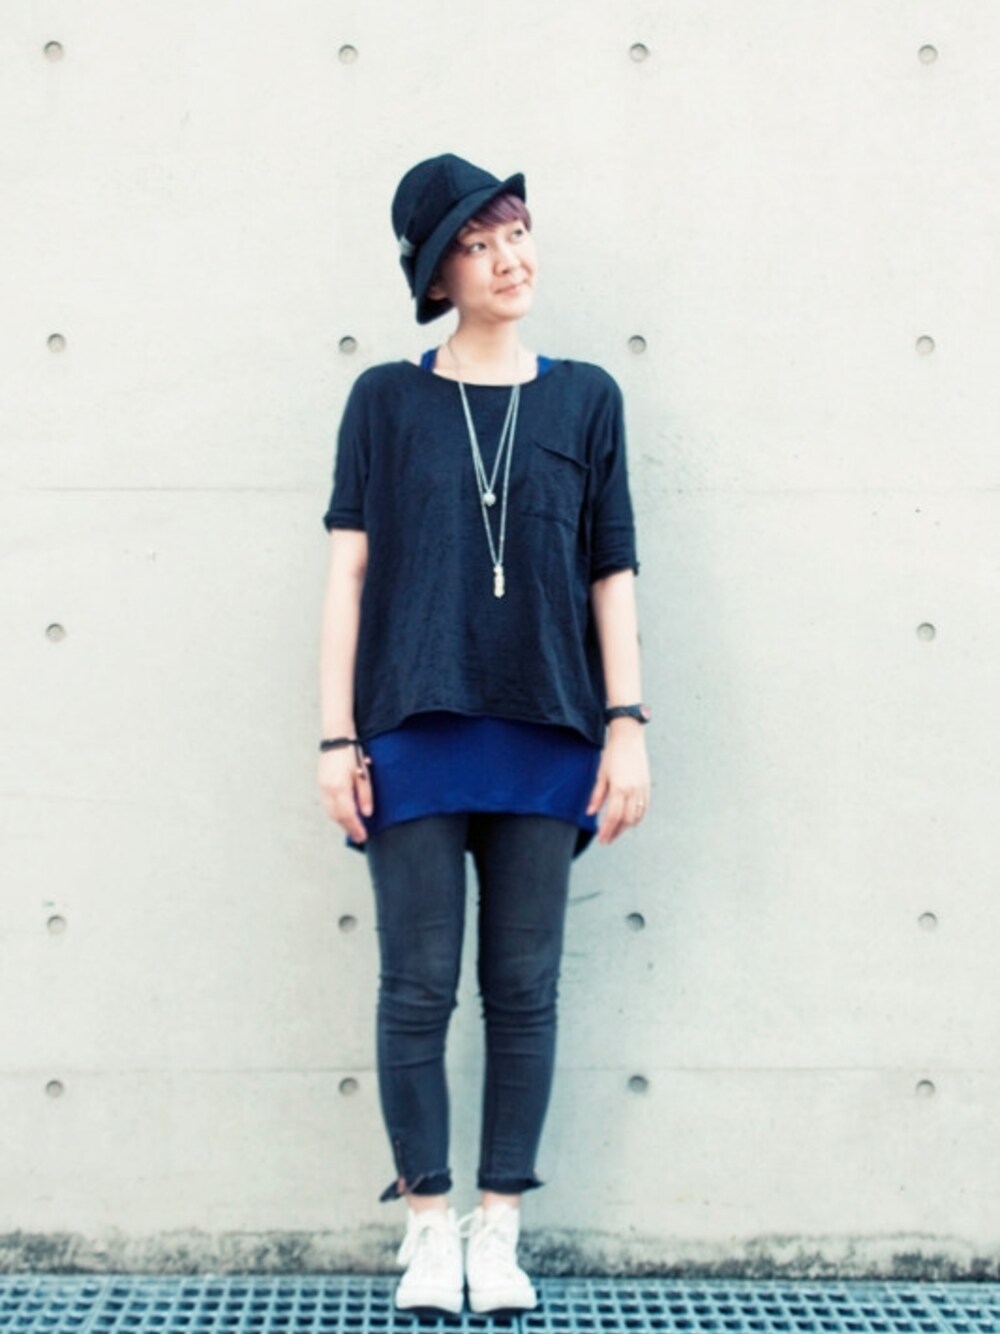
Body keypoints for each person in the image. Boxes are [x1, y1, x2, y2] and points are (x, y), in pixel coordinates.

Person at [317, 153, 650, 1316]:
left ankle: (499, 1230)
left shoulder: (587, 398)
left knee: (523, 987)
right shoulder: (385, 400)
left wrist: (626, 725)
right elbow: (348, 574)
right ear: (437, 274)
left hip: (548, 730)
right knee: (415, 986)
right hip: (410, 727)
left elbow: (611, 573)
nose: (508, 257)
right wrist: (333, 737)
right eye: (476, 242)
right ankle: (426, 1230)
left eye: (515, 230)